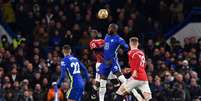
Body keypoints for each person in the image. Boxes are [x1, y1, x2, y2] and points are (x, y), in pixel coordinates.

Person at [98, 23, 129, 101]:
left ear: (114, 29)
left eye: (110, 28)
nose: (108, 29)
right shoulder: (106, 36)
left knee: (121, 78)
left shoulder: (118, 38)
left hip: (113, 61)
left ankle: (127, 93)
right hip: (105, 62)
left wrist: (123, 48)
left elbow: (126, 46)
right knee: (102, 83)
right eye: (108, 28)